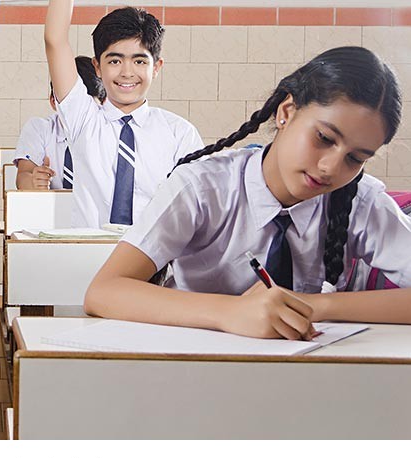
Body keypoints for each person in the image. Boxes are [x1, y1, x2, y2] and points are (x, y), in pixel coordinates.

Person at [84, 46, 411, 340]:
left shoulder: (361, 201)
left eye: (355, 158)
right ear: (286, 112)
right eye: (324, 138)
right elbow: (104, 291)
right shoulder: (203, 186)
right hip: (191, 369)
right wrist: (228, 312)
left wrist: (314, 305)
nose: (330, 167)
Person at [44, 0, 203, 226]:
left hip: (153, 267)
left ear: (156, 68)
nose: (127, 72)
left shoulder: (179, 135)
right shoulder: (84, 120)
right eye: (115, 61)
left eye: (139, 61)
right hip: (89, 263)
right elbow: (55, 39)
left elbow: (194, 210)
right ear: (97, 67)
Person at [15, 56, 105, 190]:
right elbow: (23, 176)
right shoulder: (39, 128)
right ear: (53, 101)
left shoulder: (111, 131)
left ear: (102, 103)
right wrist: (34, 182)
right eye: (69, 106)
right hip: (50, 208)